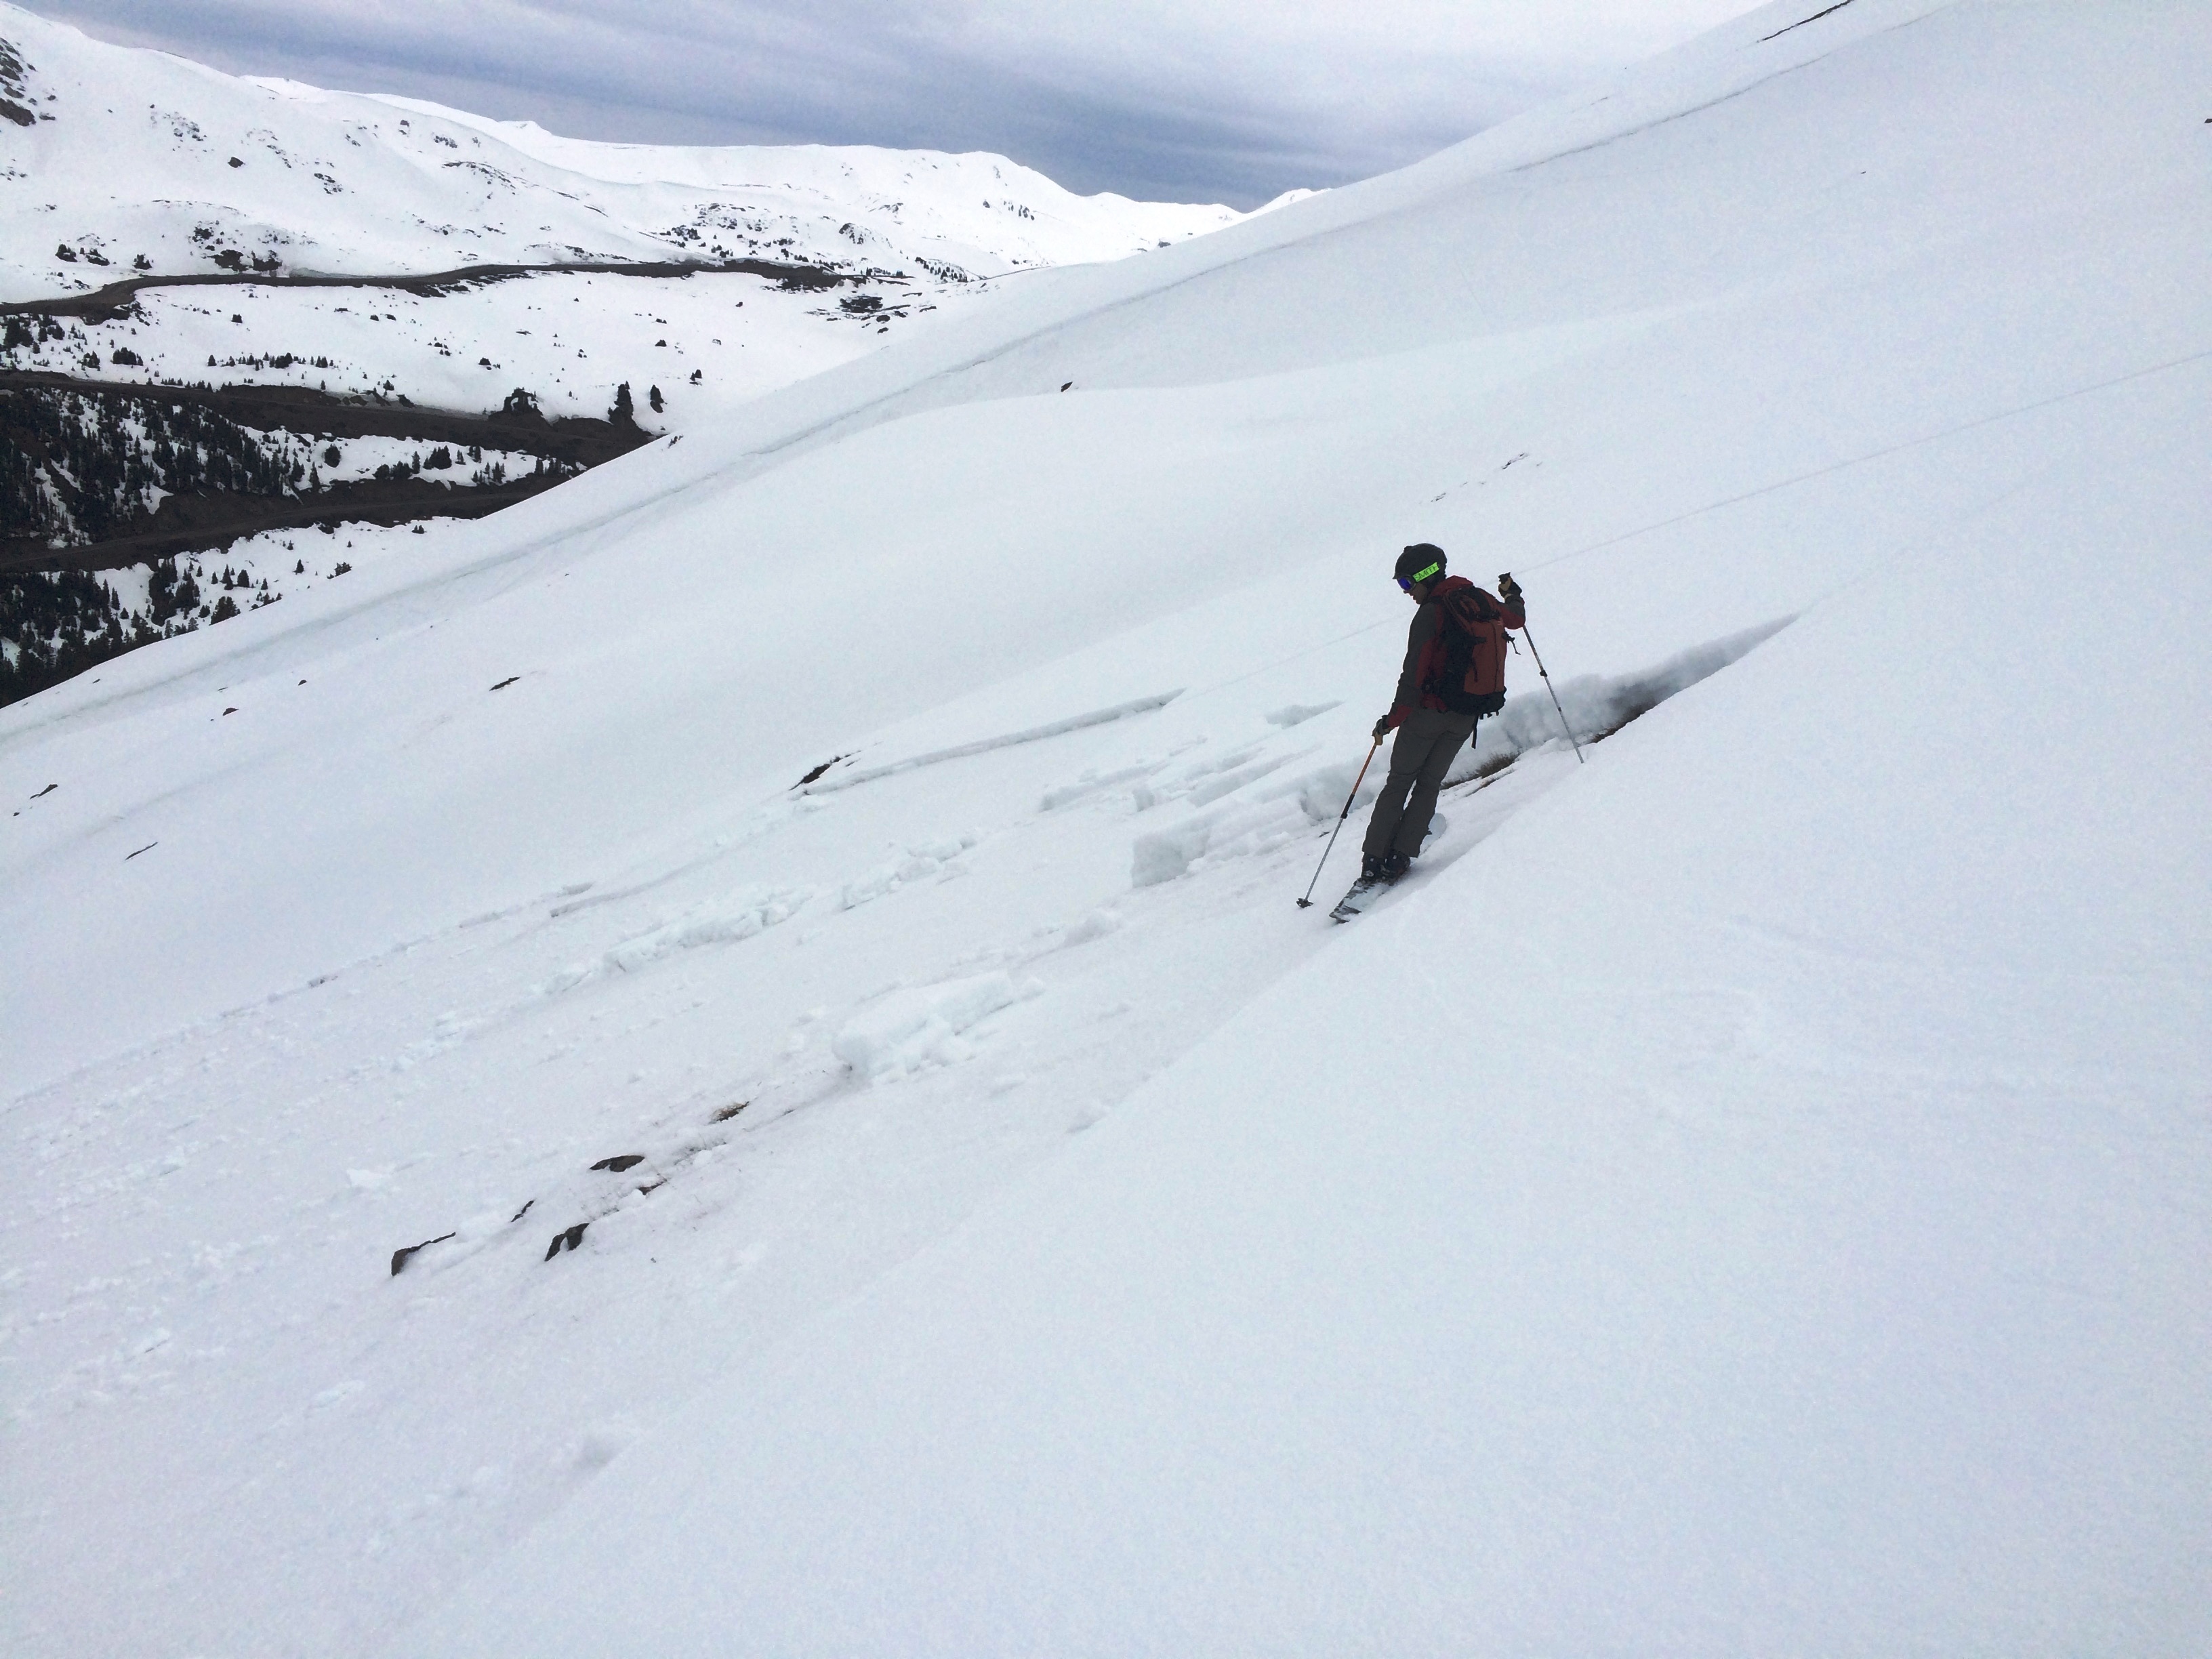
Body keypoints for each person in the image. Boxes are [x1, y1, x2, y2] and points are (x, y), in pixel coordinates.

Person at [1358, 544, 1525, 883]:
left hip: (1427, 716)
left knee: (1399, 782)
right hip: (1467, 714)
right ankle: (1400, 857)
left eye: (1406, 584)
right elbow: (1517, 620)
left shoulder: (1431, 613)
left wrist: (1390, 722)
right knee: (1430, 784)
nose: (1406, 593)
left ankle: (1374, 860)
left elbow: (1413, 679)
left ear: (1424, 576)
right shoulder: (1480, 599)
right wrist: (1514, 595)